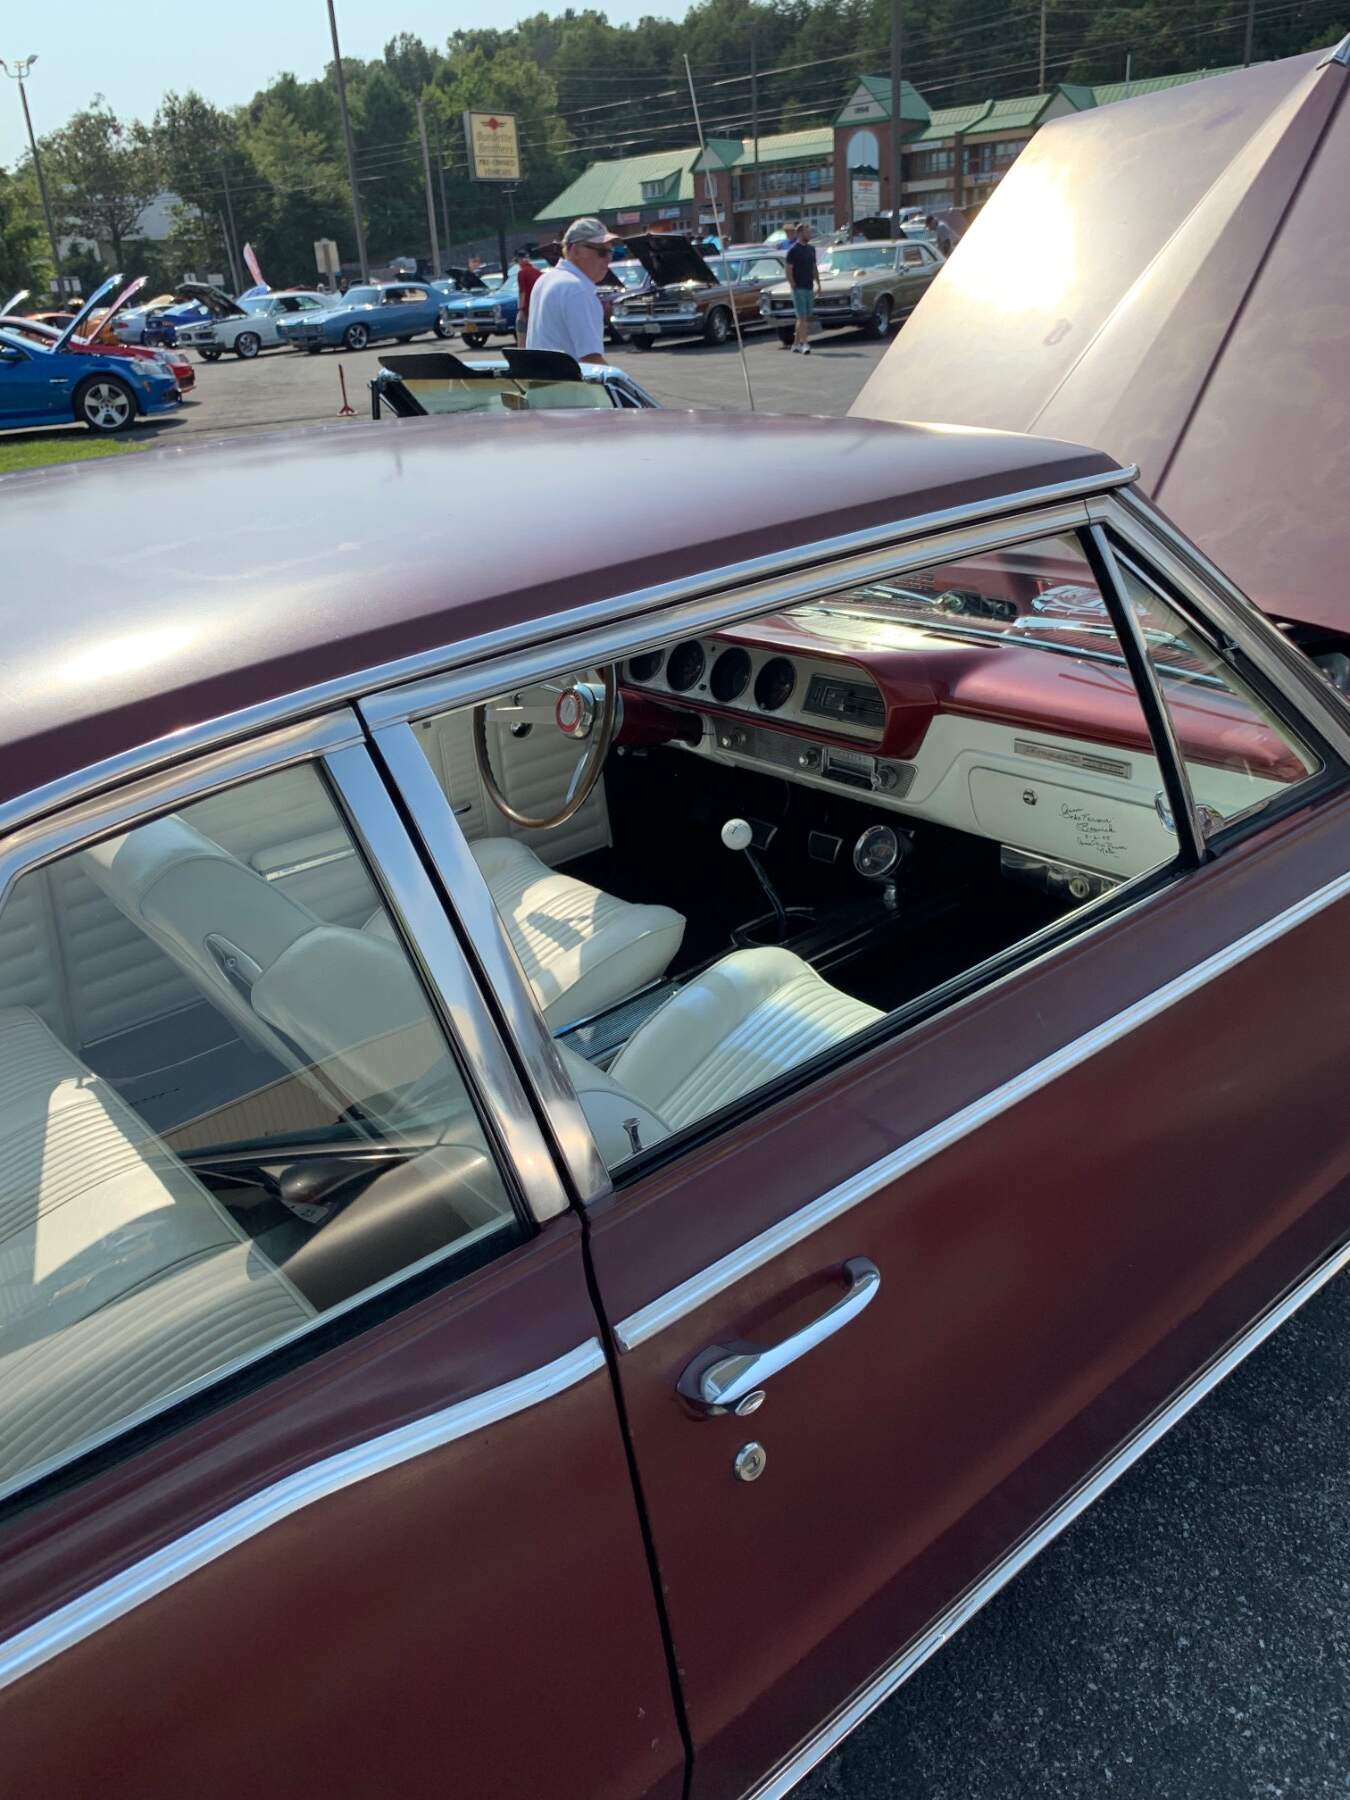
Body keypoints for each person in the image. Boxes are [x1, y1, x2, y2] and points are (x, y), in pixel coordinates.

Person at [525, 216, 621, 364]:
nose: (608, 258)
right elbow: (591, 361)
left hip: (541, 383)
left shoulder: (544, 280)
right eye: (602, 251)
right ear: (575, 250)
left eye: (610, 251)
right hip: (568, 386)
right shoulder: (577, 290)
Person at [784, 221, 821, 355]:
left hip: (809, 287)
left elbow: (814, 267)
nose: (809, 234)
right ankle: (804, 343)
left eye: (809, 232)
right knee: (802, 317)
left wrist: (818, 283)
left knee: (804, 317)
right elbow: (788, 269)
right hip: (798, 288)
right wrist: (792, 283)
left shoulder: (811, 249)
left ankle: (795, 344)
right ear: (800, 233)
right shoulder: (793, 250)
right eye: (807, 232)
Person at [513, 247, 543, 345]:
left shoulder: (521, 273)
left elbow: (523, 292)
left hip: (526, 310)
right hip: (538, 309)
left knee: (522, 338)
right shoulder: (538, 272)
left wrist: (521, 310)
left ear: (520, 260)